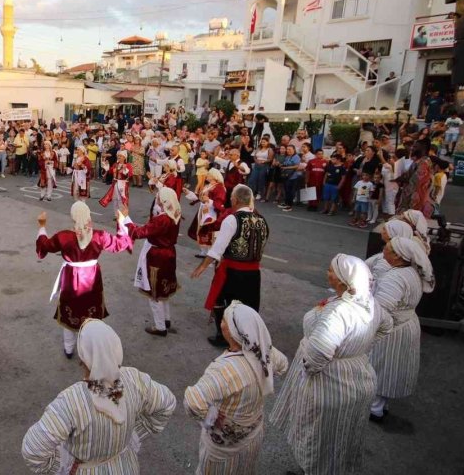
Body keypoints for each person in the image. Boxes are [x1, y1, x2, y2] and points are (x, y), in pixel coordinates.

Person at [269, 255, 393, 475]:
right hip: (356, 377)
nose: (327, 273)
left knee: (317, 435)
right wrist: (358, 350)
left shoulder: (339, 312)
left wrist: (309, 371)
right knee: (340, 435)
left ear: (344, 280)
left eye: (331, 271)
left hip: (329, 383)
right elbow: (386, 326)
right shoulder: (369, 303)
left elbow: (317, 354)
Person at [21, 319, 177, 473]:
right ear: (115, 348)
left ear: (83, 357)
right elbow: (167, 403)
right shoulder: (134, 379)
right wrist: (134, 436)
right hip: (126, 467)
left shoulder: (72, 401)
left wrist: (62, 466)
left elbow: (33, 450)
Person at [184, 301, 289, 475]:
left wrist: (210, 416)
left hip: (225, 447)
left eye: (224, 321)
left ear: (234, 331)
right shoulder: (263, 351)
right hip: (252, 436)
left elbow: (192, 402)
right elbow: (282, 365)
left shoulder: (225, 370)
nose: (221, 324)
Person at [35, 203, 132, 357]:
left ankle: (68, 348)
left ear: (73, 217)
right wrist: (121, 222)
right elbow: (120, 244)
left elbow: (44, 246)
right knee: (91, 310)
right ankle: (92, 348)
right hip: (92, 277)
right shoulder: (100, 236)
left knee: (69, 310)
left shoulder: (64, 237)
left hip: (71, 278)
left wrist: (42, 226)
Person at [191, 185, 269, 347]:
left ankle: (223, 336)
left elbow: (217, 249)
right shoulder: (261, 220)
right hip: (254, 273)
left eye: (232, 198)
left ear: (236, 199)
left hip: (233, 271)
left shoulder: (232, 219)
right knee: (247, 305)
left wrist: (202, 266)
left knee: (222, 302)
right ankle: (246, 337)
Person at [369, 238, 434, 422]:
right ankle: (381, 405)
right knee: (391, 368)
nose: (384, 250)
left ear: (398, 256)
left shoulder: (395, 278)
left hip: (393, 329)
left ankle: (375, 408)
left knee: (379, 366)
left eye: (387, 249)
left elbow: (381, 309)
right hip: (406, 324)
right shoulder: (410, 272)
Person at [120, 186, 181, 337]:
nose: (157, 199)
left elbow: (138, 233)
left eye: (159, 197)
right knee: (164, 289)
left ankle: (160, 327)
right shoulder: (174, 213)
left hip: (157, 256)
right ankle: (166, 320)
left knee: (154, 292)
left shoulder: (162, 219)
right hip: (169, 253)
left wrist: (126, 218)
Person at [185, 168, 226, 259]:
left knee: (209, 232)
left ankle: (211, 252)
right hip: (203, 211)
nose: (207, 176)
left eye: (208, 175)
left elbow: (219, 202)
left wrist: (209, 200)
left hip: (212, 213)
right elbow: (200, 198)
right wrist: (189, 193)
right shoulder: (208, 186)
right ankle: (204, 251)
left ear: (214, 176)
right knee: (201, 230)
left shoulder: (219, 187)